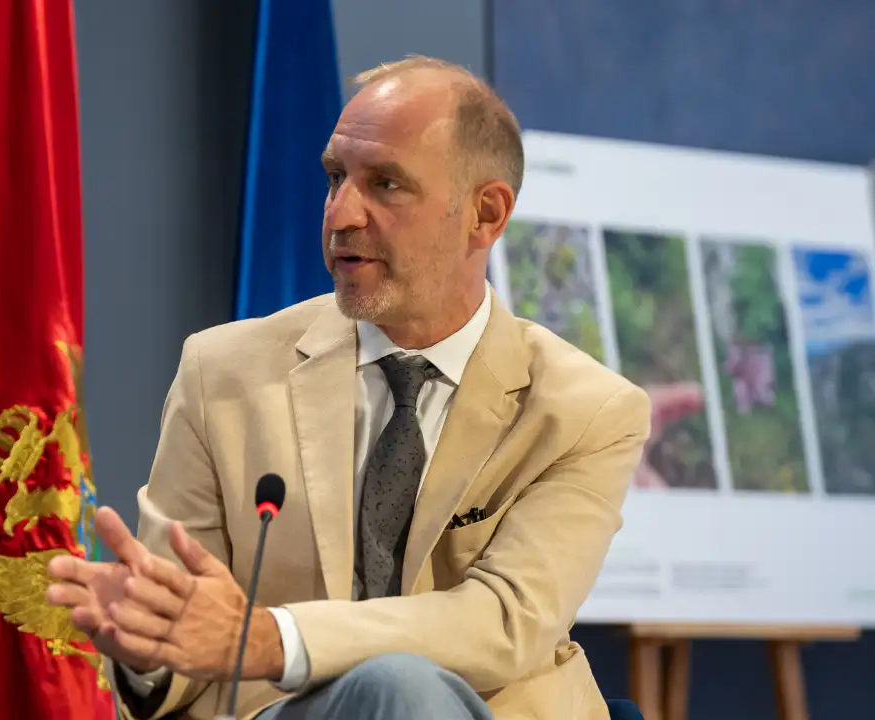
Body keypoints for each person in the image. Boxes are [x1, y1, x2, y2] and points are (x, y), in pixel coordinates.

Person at [47, 56, 651, 720]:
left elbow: (505, 621)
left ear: (486, 213)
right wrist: (146, 645)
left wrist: (272, 639)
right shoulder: (220, 371)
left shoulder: (585, 411)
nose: (340, 215)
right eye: (335, 178)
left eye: (386, 185)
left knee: (401, 687)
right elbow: (185, 640)